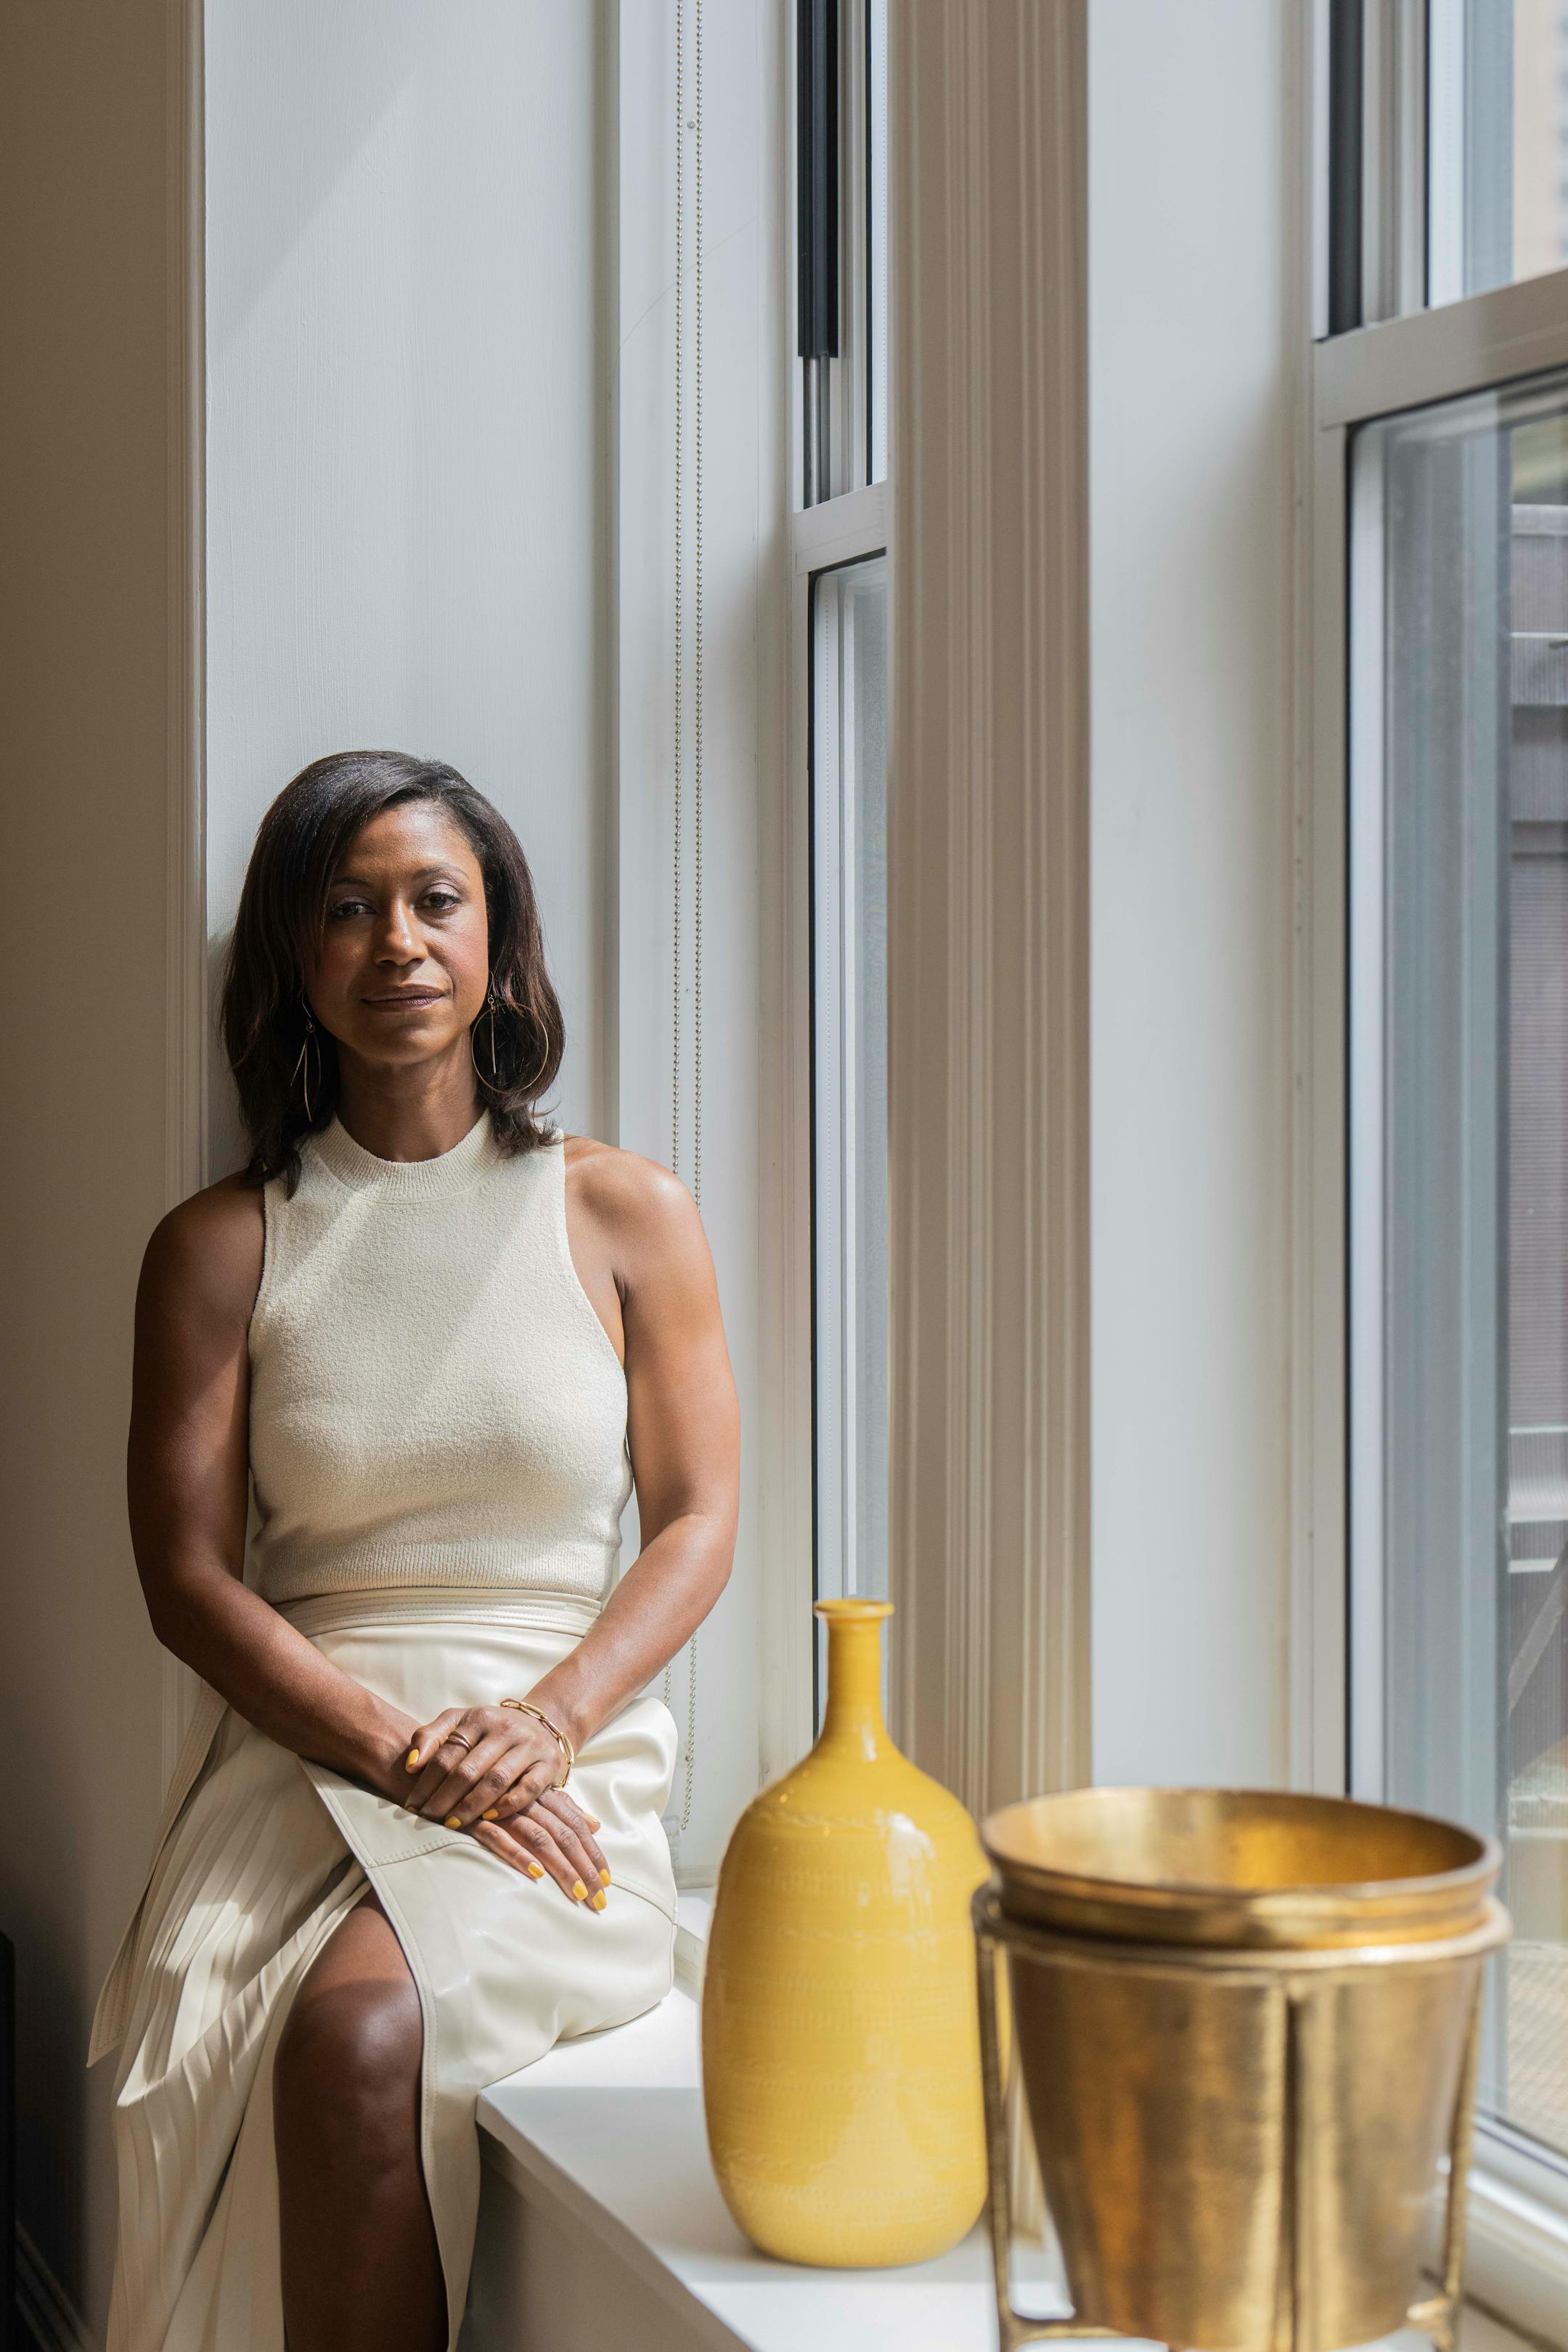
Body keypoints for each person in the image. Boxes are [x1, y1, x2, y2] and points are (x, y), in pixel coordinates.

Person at [89, 749, 740, 2352]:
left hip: (553, 1752)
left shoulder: (622, 1213)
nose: (398, 945)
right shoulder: (223, 1244)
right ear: (293, 961)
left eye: (436, 902)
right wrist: (391, 1747)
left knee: (358, 2037)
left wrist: (546, 1725)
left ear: (499, 941)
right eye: (349, 910)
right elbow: (184, 1581)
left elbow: (701, 1519)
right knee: (284, 2039)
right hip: (308, 1749)